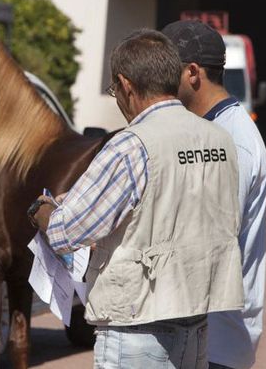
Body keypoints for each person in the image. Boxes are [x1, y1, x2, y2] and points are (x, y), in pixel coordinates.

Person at [29, 28, 245, 368]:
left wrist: (42, 209)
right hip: (198, 323)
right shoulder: (218, 139)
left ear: (126, 85)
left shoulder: (131, 145)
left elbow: (65, 232)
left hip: (138, 330)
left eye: (114, 90)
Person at [162, 20, 266, 369]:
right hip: (204, 341)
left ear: (192, 73)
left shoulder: (231, 140)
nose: (156, 81)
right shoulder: (212, 129)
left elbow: (213, 242)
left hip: (217, 346)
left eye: (165, 71)